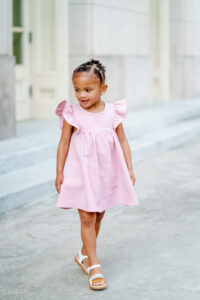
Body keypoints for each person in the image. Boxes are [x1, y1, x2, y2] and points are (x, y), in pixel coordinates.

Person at [55, 59, 139, 290]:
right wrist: (59, 172)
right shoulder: (72, 114)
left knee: (99, 214)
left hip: (106, 172)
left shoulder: (113, 112)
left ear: (103, 89)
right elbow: (63, 144)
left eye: (88, 90)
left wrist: (129, 169)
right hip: (81, 173)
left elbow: (122, 140)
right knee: (87, 217)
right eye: (77, 90)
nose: (81, 95)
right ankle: (94, 266)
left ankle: (83, 254)